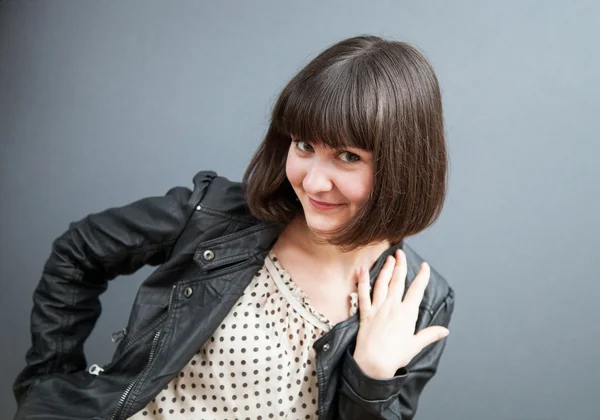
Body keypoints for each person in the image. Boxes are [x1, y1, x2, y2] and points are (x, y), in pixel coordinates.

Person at [13, 35, 455, 420]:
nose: (314, 181)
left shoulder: (421, 303)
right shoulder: (214, 216)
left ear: (403, 167)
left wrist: (373, 379)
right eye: (304, 145)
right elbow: (78, 251)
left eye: (349, 156)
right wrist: (47, 383)